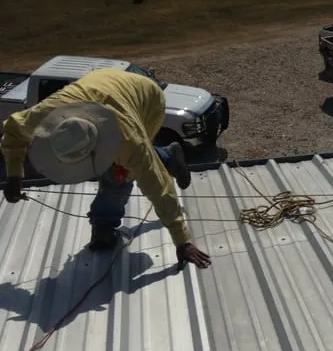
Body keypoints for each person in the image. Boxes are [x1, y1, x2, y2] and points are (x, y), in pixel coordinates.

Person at [1, 68, 212, 268]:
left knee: (120, 174)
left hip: (147, 98)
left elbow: (158, 185)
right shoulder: (42, 117)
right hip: (102, 81)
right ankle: (168, 156)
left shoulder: (127, 140)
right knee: (125, 164)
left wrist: (182, 240)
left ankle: (105, 225)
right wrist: (14, 175)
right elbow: (12, 131)